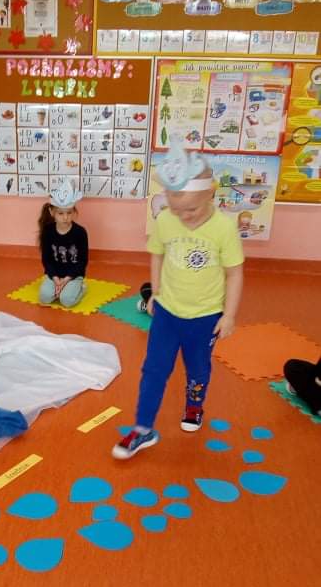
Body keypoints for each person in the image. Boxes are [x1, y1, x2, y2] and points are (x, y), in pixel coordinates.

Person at [113, 141, 244, 460]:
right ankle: (143, 428)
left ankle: (194, 406)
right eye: (176, 209)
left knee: (198, 370)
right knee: (154, 370)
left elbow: (234, 273)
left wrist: (228, 315)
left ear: (210, 194)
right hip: (168, 314)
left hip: (205, 317)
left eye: (192, 210)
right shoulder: (165, 220)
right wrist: (156, 293)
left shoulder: (224, 228)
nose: (184, 217)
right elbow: (157, 254)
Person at [38, 180, 88, 308]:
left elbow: (82, 261)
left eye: (69, 212)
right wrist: (55, 279)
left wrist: (66, 279)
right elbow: (46, 260)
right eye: (61, 213)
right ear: (52, 212)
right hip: (54, 275)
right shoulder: (48, 232)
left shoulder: (80, 232)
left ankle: (82, 288)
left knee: (66, 301)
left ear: (74, 211)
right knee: (44, 297)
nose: (65, 217)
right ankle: (59, 289)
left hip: (73, 276)